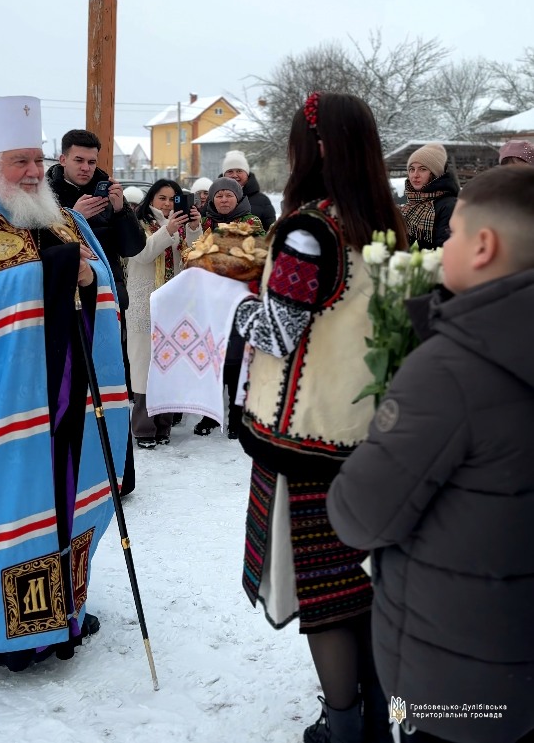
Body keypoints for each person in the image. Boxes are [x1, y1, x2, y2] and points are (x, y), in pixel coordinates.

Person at [328, 165, 534, 743]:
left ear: (484, 246)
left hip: (460, 674)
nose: (444, 246)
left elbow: (360, 514)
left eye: (455, 233)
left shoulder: (453, 368)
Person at [0, 97, 128, 689]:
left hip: (63, 398)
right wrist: (57, 273)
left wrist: (86, 278)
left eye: (36, 159)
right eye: (18, 161)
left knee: (61, 503)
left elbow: (100, 285)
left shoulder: (63, 218)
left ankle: (57, 615)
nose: (31, 172)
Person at [233, 92, 406, 743]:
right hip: (371, 433)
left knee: (326, 595)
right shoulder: (385, 223)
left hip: (306, 439)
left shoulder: (308, 231)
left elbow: (279, 332)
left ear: (320, 147)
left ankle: (344, 725)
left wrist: (234, 305)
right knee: (367, 587)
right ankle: (386, 718)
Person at [47, 130, 146, 499]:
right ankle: (72, 479)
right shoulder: (44, 195)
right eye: (79, 160)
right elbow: (41, 246)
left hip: (108, 301)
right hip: (64, 304)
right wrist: (72, 218)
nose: (86, 168)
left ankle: (119, 476)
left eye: (92, 161)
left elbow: (133, 247)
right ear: (63, 159)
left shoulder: (108, 192)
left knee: (111, 386)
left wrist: (121, 212)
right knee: (71, 389)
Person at [126, 179, 202, 448]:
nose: (168, 204)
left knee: (168, 362)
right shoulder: (137, 222)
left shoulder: (180, 224)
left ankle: (164, 425)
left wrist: (193, 228)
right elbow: (142, 254)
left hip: (173, 303)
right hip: (144, 301)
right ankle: (144, 427)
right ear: (151, 199)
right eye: (162, 198)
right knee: (144, 363)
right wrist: (167, 229)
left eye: (173, 199)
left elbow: (192, 256)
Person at [192, 177, 265, 439]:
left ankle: (236, 416)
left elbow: (259, 256)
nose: (224, 200)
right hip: (208, 300)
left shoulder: (251, 223)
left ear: (238, 198)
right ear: (212, 199)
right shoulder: (204, 223)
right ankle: (210, 414)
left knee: (235, 357)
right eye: (219, 195)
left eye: (229, 195)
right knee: (211, 356)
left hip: (238, 298)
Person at [400, 142, 458, 248]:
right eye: (412, 169)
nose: (415, 175)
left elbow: (445, 249)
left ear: (435, 173)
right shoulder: (411, 205)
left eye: (422, 169)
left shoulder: (450, 206)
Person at [222, 150, 276, 230]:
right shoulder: (213, 200)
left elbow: (271, 232)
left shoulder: (262, 201)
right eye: (230, 171)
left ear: (247, 174)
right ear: (224, 175)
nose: (234, 175)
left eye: (239, 171)